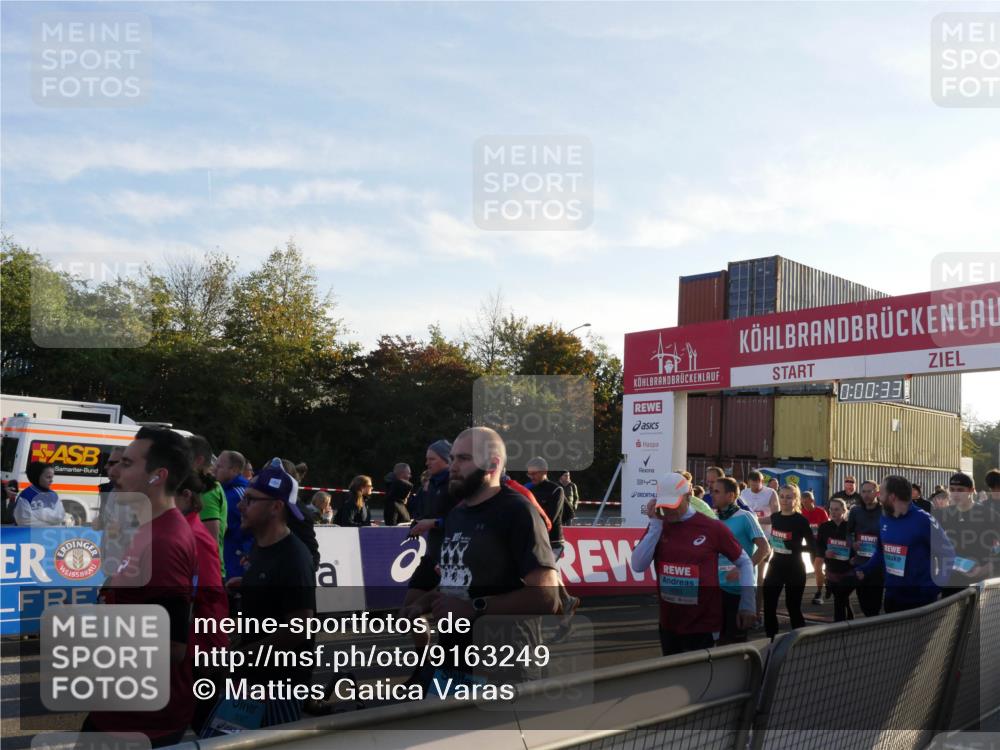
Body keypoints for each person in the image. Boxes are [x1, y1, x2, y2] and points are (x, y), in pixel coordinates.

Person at [399, 427, 560, 689]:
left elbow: (547, 597)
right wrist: (423, 603)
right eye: (452, 458)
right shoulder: (457, 515)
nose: (453, 467)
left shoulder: (518, 511)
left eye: (463, 459)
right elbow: (462, 583)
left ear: (493, 464)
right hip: (451, 665)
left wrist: (474, 608)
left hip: (502, 670)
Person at [82, 427, 198, 747]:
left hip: (139, 723)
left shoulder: (164, 541)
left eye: (128, 464)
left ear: (157, 476)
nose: (115, 471)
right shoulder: (149, 528)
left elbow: (173, 647)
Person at [224, 458, 316, 727]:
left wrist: (240, 656)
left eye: (250, 500)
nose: (240, 506)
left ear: (276, 507)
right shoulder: (261, 545)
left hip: (279, 684)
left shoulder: (294, 557)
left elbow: (299, 629)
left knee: (273, 743)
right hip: (251, 678)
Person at [630, 472, 755, 655]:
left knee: (701, 673)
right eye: (664, 505)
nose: (669, 511)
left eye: (673, 505)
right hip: (669, 624)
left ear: (688, 497)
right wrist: (655, 526)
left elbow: (744, 562)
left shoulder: (712, 527)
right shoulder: (659, 525)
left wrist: (747, 604)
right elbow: (637, 565)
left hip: (702, 626)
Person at [174, 472, 228, 735]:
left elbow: (209, 592)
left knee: (205, 725)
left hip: (202, 646)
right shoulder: (182, 530)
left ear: (186, 496)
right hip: (191, 644)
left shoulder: (195, 535)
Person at [857, 475, 956, 613]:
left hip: (920, 603)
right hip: (892, 597)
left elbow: (948, 554)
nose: (879, 497)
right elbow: (881, 551)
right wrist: (864, 569)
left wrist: (935, 586)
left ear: (892, 497)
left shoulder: (923, 519)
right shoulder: (884, 518)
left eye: (882, 493)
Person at [711, 477, 769, 644]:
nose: (712, 495)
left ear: (730, 495)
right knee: (717, 641)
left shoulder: (746, 517)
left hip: (738, 590)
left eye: (717, 491)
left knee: (735, 643)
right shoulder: (714, 518)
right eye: (712, 491)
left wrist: (744, 568)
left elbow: (765, 548)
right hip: (716, 588)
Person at [763, 484, 816, 640]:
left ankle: (800, 641)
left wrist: (794, 546)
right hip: (775, 566)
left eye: (789, 497)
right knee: (769, 605)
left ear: (796, 500)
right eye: (782, 497)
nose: (784, 500)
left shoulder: (801, 521)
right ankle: (771, 640)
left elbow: (812, 546)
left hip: (795, 568)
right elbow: (773, 540)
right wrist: (767, 553)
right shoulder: (775, 517)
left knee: (793, 607)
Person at [938, 472, 1000, 593]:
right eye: (952, 489)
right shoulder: (944, 514)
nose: (955, 494)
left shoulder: (988, 515)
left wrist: (986, 568)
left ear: (972, 490)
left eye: (960, 490)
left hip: (977, 582)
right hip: (950, 580)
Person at [92, 447, 138, 578]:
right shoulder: (113, 492)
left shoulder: (141, 495)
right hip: (112, 571)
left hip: (130, 575)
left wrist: (122, 533)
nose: (106, 467)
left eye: (112, 463)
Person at [739, 470, 779, 621]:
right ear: (749, 482)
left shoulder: (770, 493)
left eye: (758, 484)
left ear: (762, 482)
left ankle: (757, 613)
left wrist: (755, 520)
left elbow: (775, 516)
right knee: (744, 574)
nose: (755, 487)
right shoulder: (744, 493)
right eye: (752, 484)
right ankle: (744, 610)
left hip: (764, 538)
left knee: (759, 577)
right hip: (747, 537)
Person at [188, 435, 227, 577]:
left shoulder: (207, 491)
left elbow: (210, 540)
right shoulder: (204, 487)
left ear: (198, 461)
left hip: (205, 574)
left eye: (184, 457)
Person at [847, 479, 885, 617]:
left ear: (877, 493)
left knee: (874, 603)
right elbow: (848, 532)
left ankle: (873, 625)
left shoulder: (885, 511)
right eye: (863, 491)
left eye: (869, 491)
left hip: (878, 563)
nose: (866, 495)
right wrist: (852, 543)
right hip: (860, 562)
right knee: (863, 600)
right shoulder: (855, 511)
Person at [815, 498, 854, 622]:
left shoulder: (851, 527)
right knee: (840, 597)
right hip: (832, 569)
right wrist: (824, 553)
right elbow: (819, 545)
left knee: (839, 598)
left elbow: (857, 546)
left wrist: (854, 557)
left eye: (837, 509)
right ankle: (849, 617)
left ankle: (839, 625)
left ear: (844, 510)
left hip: (848, 569)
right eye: (831, 509)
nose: (833, 512)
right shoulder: (824, 527)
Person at [216, 450, 250, 579]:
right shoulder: (223, 490)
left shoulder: (240, 494)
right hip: (227, 561)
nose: (214, 469)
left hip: (236, 565)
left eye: (219, 466)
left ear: (234, 470)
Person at [800, 491, 830, 605]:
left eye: (807, 502)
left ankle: (819, 592)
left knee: (820, 568)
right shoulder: (802, 513)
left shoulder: (821, 512)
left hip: (822, 544)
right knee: (817, 568)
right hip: (810, 544)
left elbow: (827, 529)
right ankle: (824, 586)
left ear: (812, 501)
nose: (805, 505)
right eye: (803, 503)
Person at [13, 461, 65, 526]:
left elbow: (60, 516)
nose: (51, 480)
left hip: (50, 532)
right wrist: (50, 517)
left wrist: (39, 513)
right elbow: (23, 521)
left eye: (52, 477)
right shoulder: (26, 495)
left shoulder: (54, 495)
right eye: (48, 477)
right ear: (36, 477)